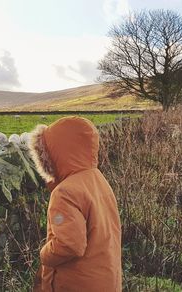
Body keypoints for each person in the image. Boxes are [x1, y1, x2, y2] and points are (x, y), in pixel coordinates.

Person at [29, 116, 122, 291]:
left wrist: (44, 255)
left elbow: (70, 244)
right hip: (105, 278)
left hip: (77, 283)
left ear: (56, 152)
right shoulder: (98, 180)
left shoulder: (65, 193)